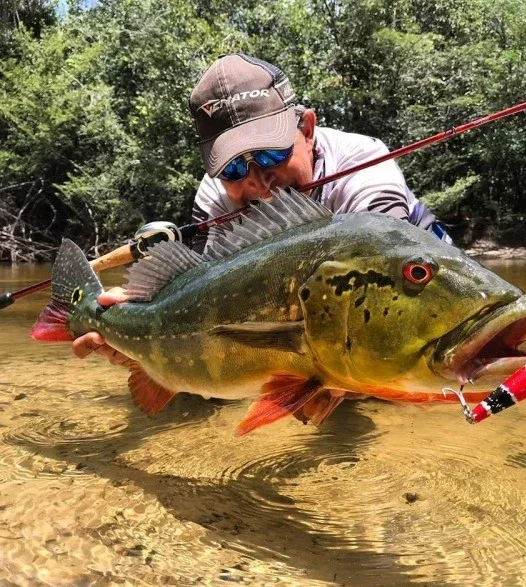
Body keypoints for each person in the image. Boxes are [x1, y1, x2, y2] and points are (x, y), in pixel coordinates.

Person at [73, 52, 451, 363]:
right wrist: (141, 334)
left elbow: (389, 302)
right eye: (233, 168)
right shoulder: (213, 196)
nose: (258, 181)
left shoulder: (366, 168)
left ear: (307, 128)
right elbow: (207, 306)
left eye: (272, 153)